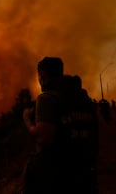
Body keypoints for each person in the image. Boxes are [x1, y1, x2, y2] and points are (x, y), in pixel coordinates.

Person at [22, 57, 99, 194]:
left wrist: (27, 120)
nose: (39, 80)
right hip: (84, 172)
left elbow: (43, 137)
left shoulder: (46, 98)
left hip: (56, 176)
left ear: (43, 74)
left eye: (39, 75)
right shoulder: (83, 98)